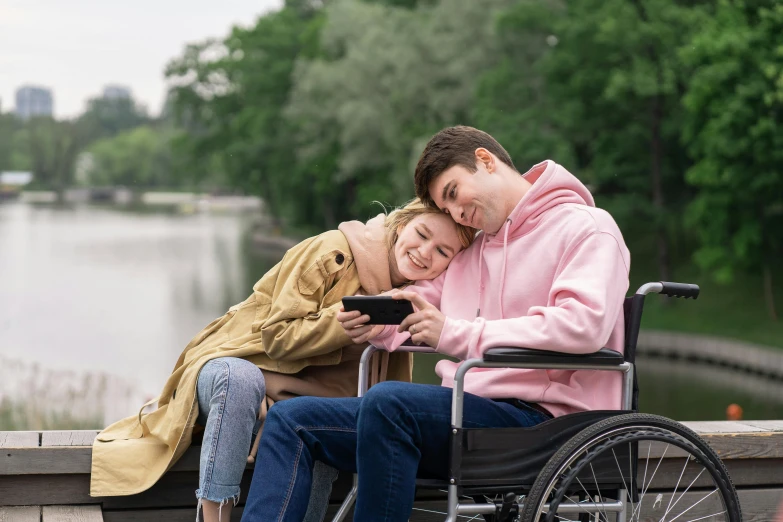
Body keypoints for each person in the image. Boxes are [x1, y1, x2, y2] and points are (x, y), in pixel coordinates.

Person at [239, 125, 631, 522]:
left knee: (390, 403)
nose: (458, 213)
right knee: (293, 420)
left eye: (453, 193)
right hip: (469, 417)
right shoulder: (473, 252)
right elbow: (416, 306)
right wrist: (372, 320)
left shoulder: (588, 228)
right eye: (447, 209)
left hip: (549, 425)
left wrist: (456, 334)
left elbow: (584, 325)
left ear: (485, 160)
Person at [89, 198, 476, 522]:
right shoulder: (333, 250)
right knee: (241, 383)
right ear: (401, 224)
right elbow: (275, 337)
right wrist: (339, 324)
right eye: (422, 235)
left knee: (317, 419)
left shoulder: (415, 302)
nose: (425, 252)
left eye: (442, 251)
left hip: (301, 405)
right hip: (237, 367)